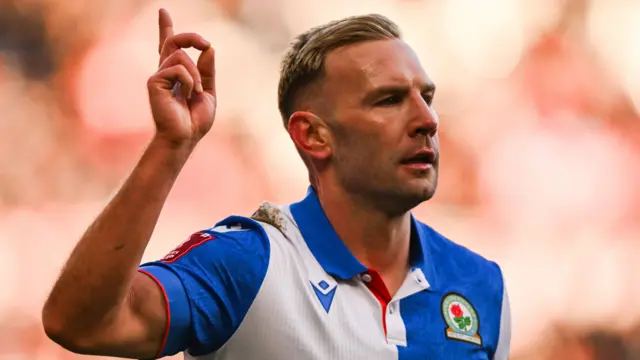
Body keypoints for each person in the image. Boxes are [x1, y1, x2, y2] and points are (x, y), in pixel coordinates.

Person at [42, 8, 511, 360]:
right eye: (388, 100)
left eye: (426, 97)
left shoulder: (481, 285)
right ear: (313, 135)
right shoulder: (250, 266)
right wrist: (170, 146)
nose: (427, 120)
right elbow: (80, 324)